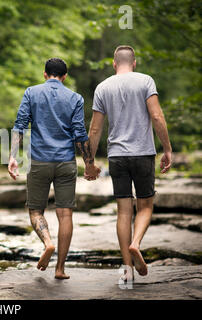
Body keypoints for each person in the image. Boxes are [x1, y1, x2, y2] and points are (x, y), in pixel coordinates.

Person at [8, 58, 100, 279]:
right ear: (65, 76)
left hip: (39, 161)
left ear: (44, 74)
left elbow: (20, 125)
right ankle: (60, 269)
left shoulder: (32, 92)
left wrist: (12, 157)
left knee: (36, 210)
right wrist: (89, 164)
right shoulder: (75, 98)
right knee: (65, 214)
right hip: (66, 162)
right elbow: (79, 134)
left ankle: (47, 242)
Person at [86, 45, 172, 282]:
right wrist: (167, 148)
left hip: (117, 156)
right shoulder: (145, 81)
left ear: (114, 64)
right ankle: (136, 244)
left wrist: (89, 162)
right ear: (134, 63)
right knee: (145, 206)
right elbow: (156, 116)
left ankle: (127, 270)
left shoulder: (103, 87)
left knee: (124, 211)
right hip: (143, 153)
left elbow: (95, 129)